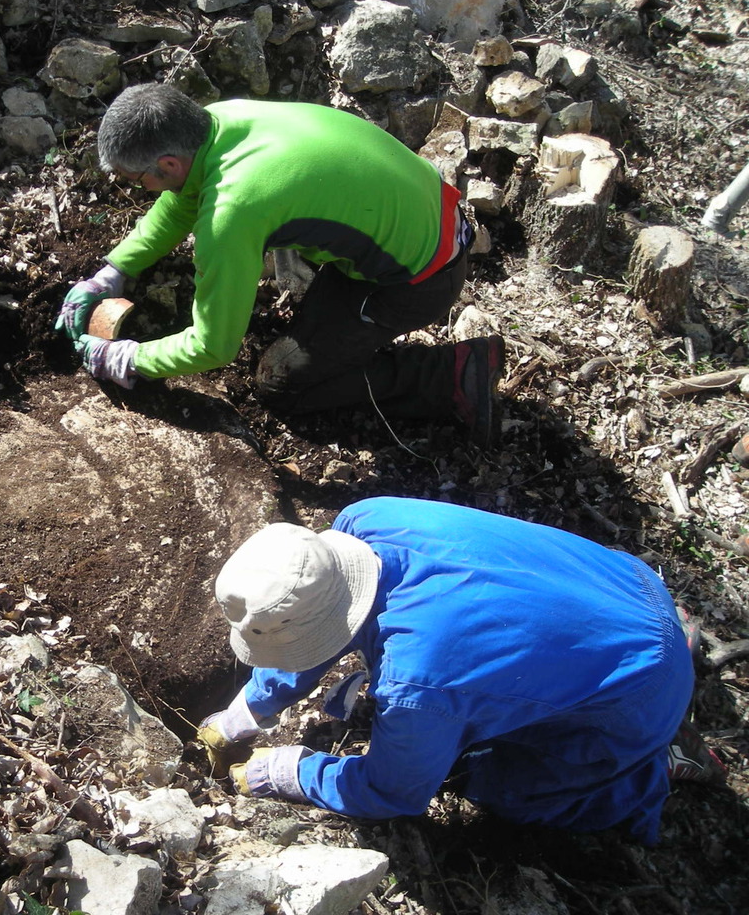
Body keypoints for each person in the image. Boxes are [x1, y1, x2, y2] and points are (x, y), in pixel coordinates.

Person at [196, 497, 726, 844]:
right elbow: (323, 611)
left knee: (500, 784)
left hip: (643, 681)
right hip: (623, 585)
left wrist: (290, 771)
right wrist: (249, 709)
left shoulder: (417, 680)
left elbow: (395, 791)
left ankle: (654, 761)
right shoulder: (364, 521)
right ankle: (664, 642)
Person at [55, 83, 505, 445]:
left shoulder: (232, 210)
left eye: (138, 180)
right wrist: (113, 271)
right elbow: (181, 202)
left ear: (169, 163)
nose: (141, 189)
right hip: (423, 213)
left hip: (419, 277)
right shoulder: (219, 121)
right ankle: (330, 314)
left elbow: (214, 347)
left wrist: (130, 358)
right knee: (292, 234)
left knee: (280, 385)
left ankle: (452, 373)